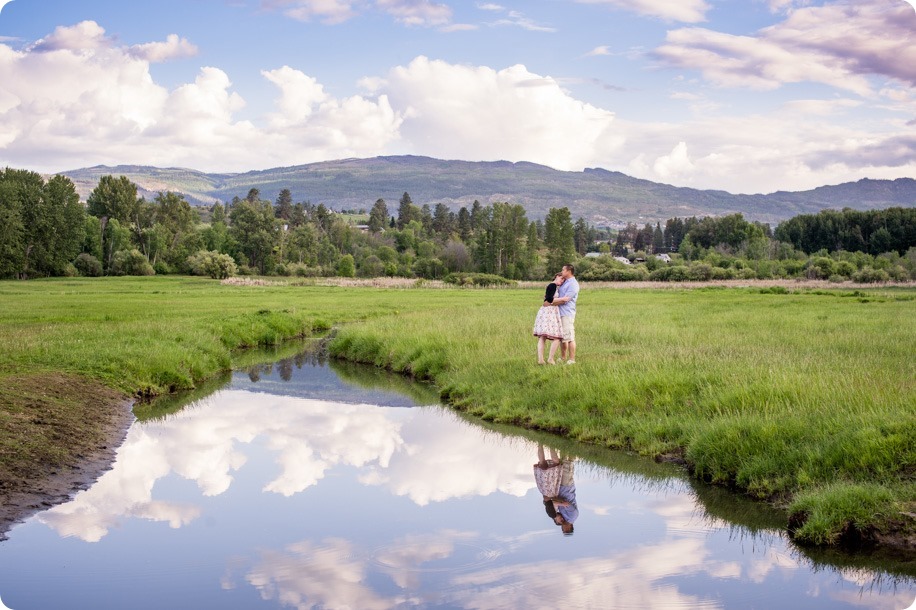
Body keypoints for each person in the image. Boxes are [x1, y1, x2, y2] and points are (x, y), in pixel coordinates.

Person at [532, 443, 578, 535]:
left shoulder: (562, 516)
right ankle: (571, 445)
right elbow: (566, 503)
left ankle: (563, 443)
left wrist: (557, 502)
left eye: (562, 529)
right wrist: (558, 502)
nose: (562, 527)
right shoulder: (572, 516)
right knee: (566, 465)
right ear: (569, 527)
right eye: (564, 529)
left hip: (560, 487)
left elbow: (560, 503)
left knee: (562, 463)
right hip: (567, 487)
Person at [532, 273, 565, 364]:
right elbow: (549, 299)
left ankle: (541, 359)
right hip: (549, 312)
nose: (562, 281)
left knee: (543, 337)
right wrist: (564, 299)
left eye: (563, 280)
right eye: (561, 278)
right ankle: (550, 359)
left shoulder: (552, 286)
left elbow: (547, 299)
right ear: (556, 276)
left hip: (547, 310)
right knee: (557, 336)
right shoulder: (553, 285)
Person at [550, 264, 579, 364]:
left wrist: (551, 302)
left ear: (569, 271)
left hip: (567, 313)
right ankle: (563, 357)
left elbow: (565, 300)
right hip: (559, 312)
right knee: (562, 337)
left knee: (569, 337)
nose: (562, 271)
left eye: (563, 270)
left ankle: (572, 359)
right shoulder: (565, 282)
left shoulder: (573, 284)